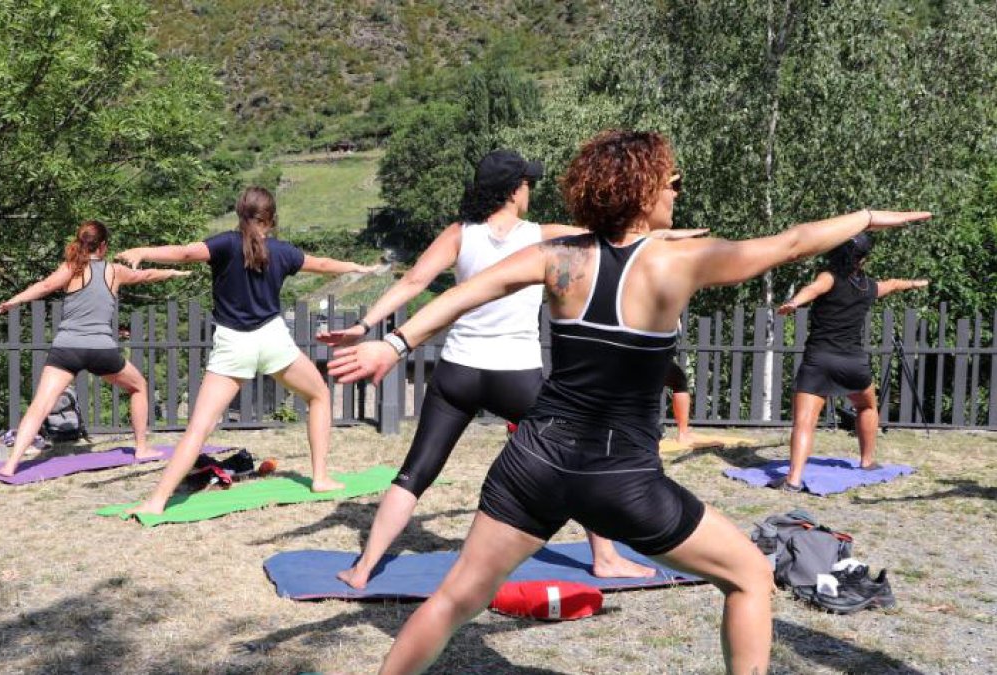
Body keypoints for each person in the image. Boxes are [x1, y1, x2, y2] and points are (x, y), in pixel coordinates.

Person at [328, 129, 930, 674]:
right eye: (672, 181)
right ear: (643, 190)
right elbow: (793, 243)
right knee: (749, 574)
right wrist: (866, 217)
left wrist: (394, 344)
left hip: (532, 462)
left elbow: (463, 295)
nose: (677, 191)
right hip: (619, 477)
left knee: (455, 599)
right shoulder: (677, 261)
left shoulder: (560, 257)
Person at [318, 149, 694, 588]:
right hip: (515, 376)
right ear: (514, 191)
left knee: (415, 473)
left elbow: (413, 282)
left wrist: (364, 325)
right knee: (577, 455)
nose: (529, 191)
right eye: (527, 184)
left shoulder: (460, 234)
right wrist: (670, 235)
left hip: (457, 373)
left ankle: (363, 568)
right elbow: (617, 237)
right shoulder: (544, 237)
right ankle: (606, 558)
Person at [116, 186, 376, 514]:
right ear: (272, 218)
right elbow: (322, 263)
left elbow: (184, 254)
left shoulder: (225, 244)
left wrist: (142, 251)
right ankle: (321, 477)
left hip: (233, 344)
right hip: (273, 340)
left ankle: (156, 501)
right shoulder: (283, 251)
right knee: (319, 396)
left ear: (240, 214)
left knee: (199, 427)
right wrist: (355, 266)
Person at [0, 220, 190, 477]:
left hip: (67, 349)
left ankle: (10, 465)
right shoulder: (115, 271)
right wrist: (173, 272)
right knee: (138, 387)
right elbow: (146, 275)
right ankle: (142, 449)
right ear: (104, 246)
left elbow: (44, 287)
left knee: (40, 405)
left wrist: (14, 301)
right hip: (101, 350)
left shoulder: (71, 268)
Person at [773, 234, 929, 491]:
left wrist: (793, 302)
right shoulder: (868, 286)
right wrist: (914, 283)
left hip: (819, 360)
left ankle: (793, 479)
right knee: (867, 406)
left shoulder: (829, 277)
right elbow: (892, 284)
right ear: (863, 260)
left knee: (804, 421)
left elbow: (813, 289)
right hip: (853, 363)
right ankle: (867, 462)